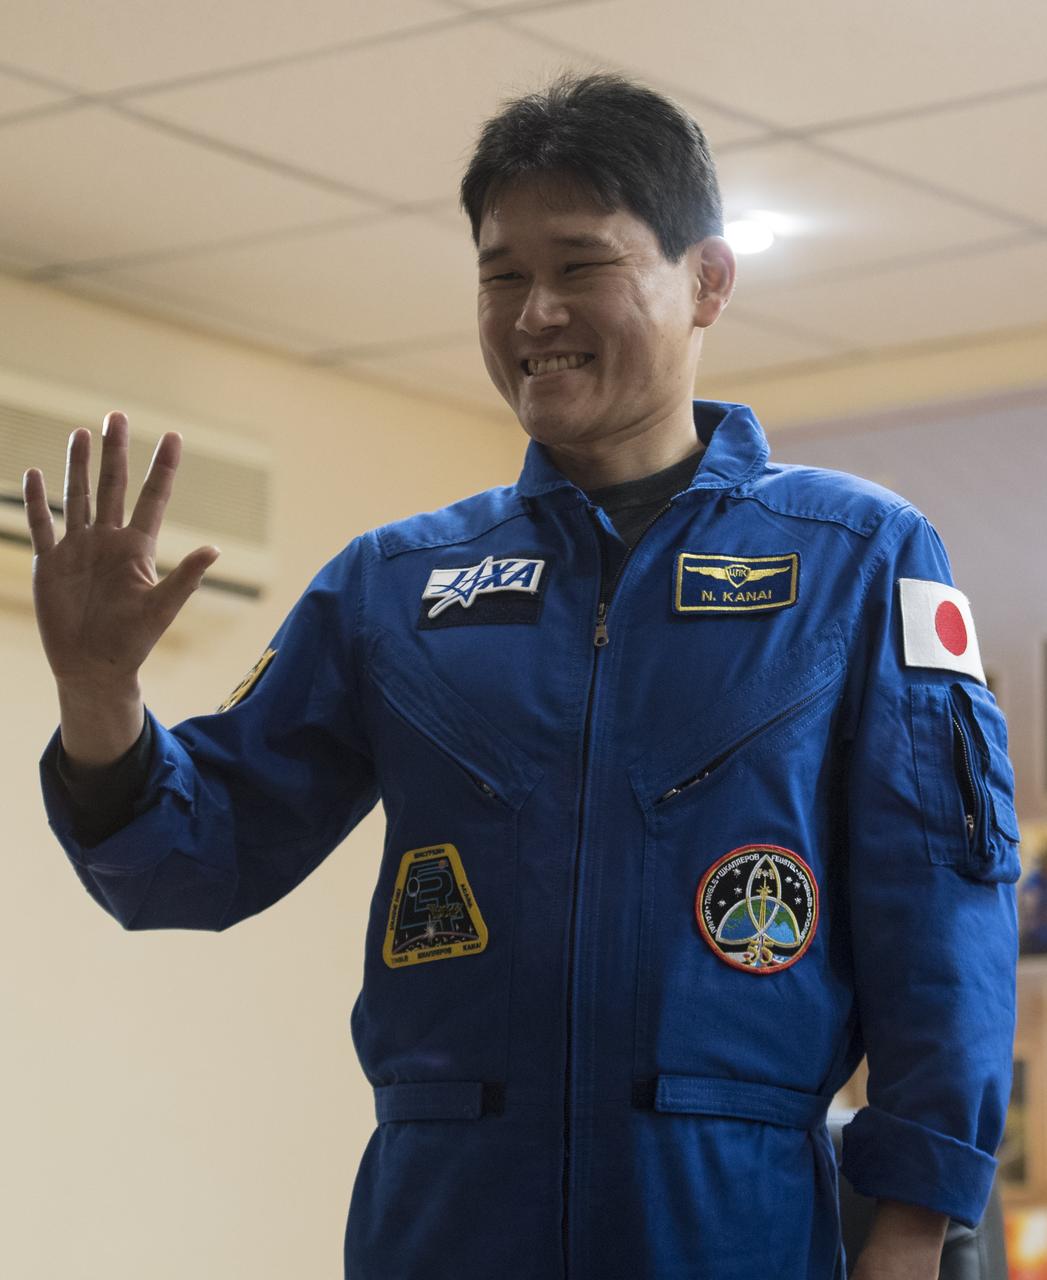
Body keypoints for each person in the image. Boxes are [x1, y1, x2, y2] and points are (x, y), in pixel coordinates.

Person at [25, 72, 1019, 1280]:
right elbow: (191, 858)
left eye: (581, 265)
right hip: (446, 1218)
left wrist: (913, 1230)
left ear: (708, 281)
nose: (534, 311)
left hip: (730, 1219)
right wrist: (98, 696)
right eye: (500, 275)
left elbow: (944, 920)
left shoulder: (857, 558)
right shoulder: (394, 585)